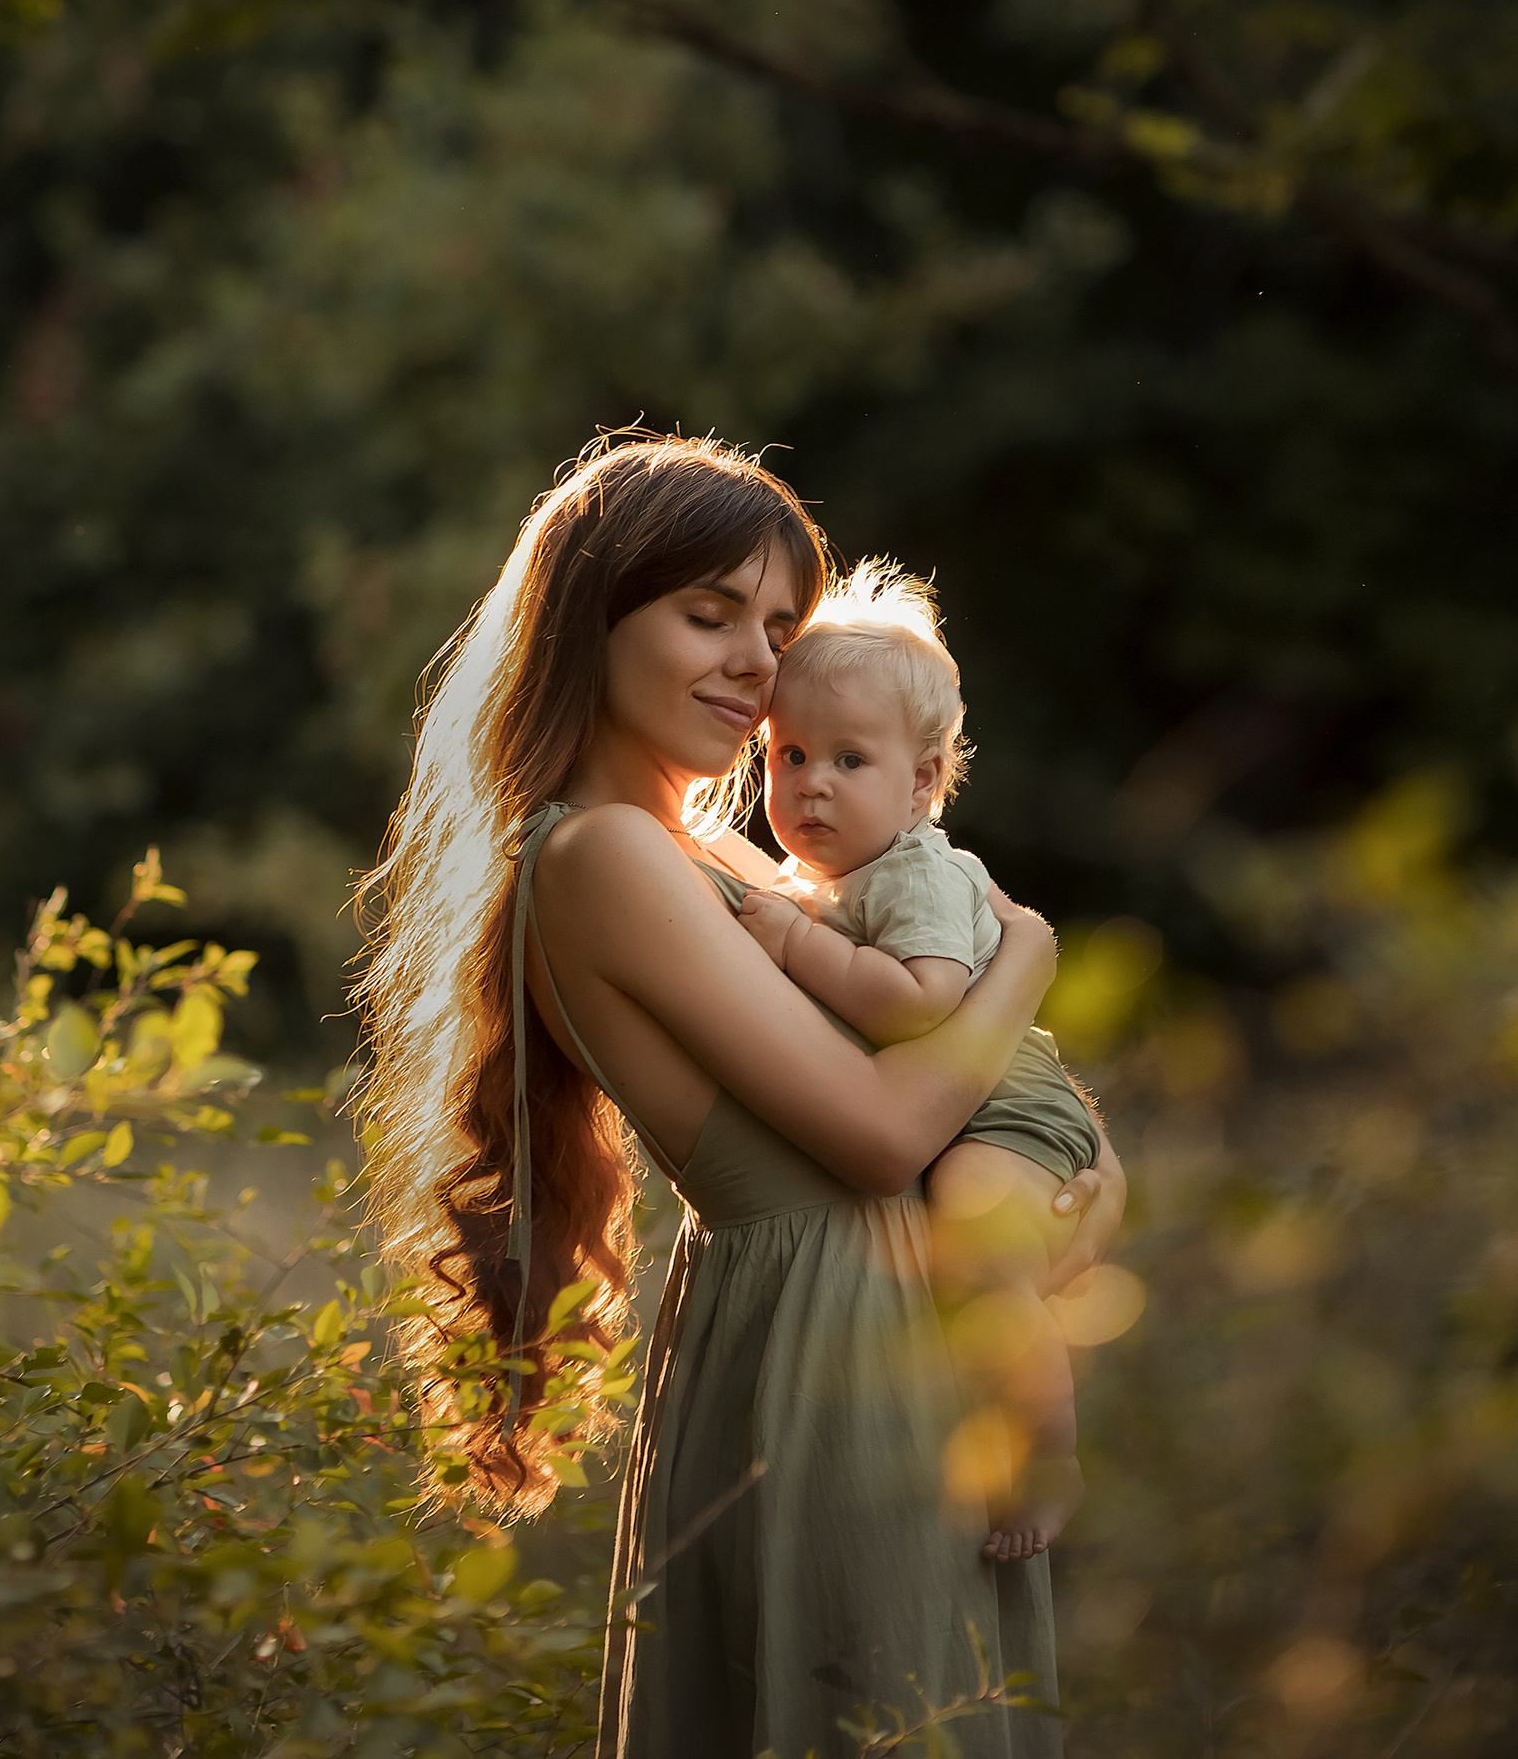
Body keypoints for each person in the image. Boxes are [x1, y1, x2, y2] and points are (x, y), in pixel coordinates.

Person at [357, 431, 1126, 1759]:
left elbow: (957, 1095)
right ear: (589, 617)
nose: (757, 661)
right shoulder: (604, 853)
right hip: (828, 1338)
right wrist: (1034, 958)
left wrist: (1084, 1190)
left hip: (899, 1318)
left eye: (778, 623)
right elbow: (888, 1132)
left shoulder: (709, 847)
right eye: (707, 612)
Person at [737, 562, 1102, 1565]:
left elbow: (926, 1000)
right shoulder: (826, 874)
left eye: (848, 758)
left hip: (1005, 1103)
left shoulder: (912, 875)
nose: (809, 781)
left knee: (980, 1244)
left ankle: (1045, 1452)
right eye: (790, 753)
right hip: (968, 1094)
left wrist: (794, 944)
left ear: (923, 780)